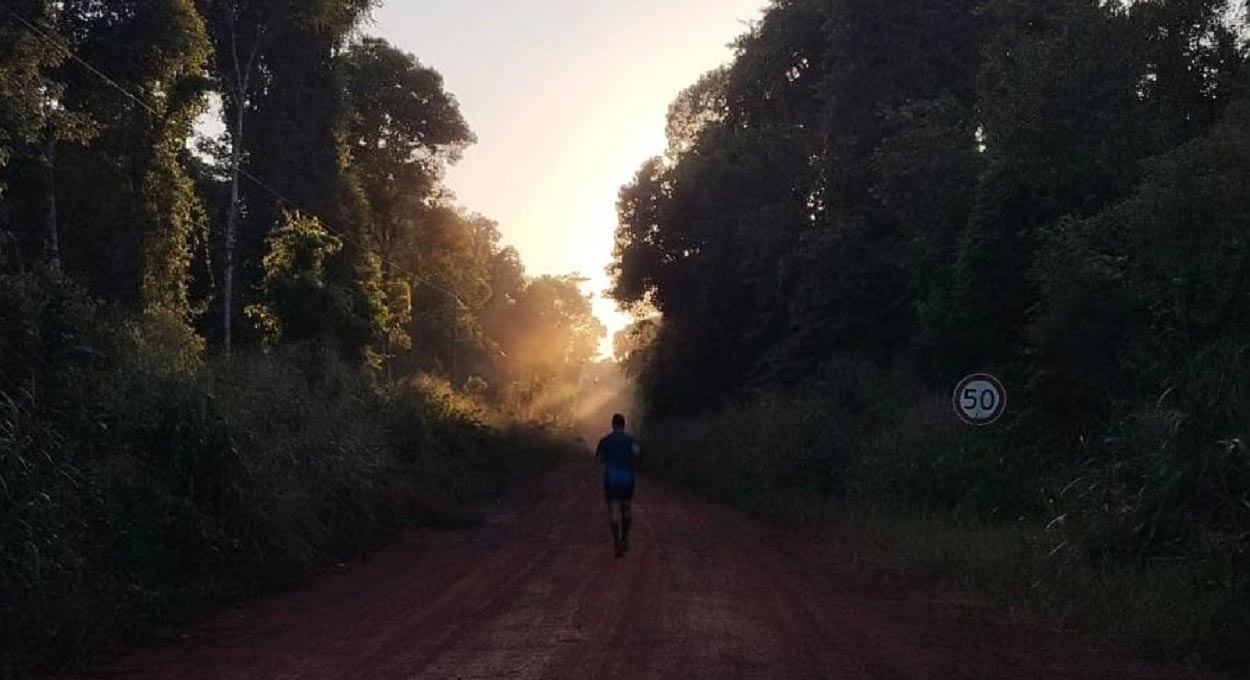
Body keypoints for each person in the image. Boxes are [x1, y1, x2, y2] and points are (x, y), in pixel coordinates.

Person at [595, 413, 640, 558]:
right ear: (624, 424)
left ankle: (616, 543)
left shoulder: (606, 440)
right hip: (627, 478)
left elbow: (599, 459)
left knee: (614, 509)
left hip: (612, 478)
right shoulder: (631, 440)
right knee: (626, 508)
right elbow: (637, 454)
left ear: (613, 425)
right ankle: (625, 539)